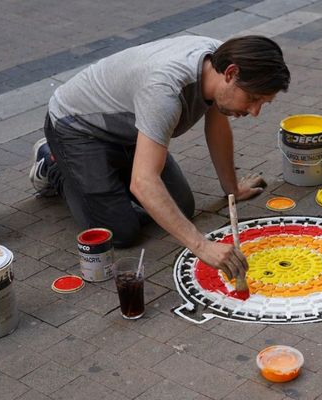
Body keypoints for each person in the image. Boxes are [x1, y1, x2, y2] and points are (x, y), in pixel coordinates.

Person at [30, 35, 290, 280]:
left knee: (181, 208)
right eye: (253, 99)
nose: (255, 111)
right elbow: (143, 182)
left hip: (131, 127)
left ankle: (110, 175)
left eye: (263, 103)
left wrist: (231, 188)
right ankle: (52, 163)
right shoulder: (164, 91)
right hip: (77, 127)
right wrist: (201, 246)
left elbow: (217, 126)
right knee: (120, 232)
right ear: (231, 74)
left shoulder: (220, 63)